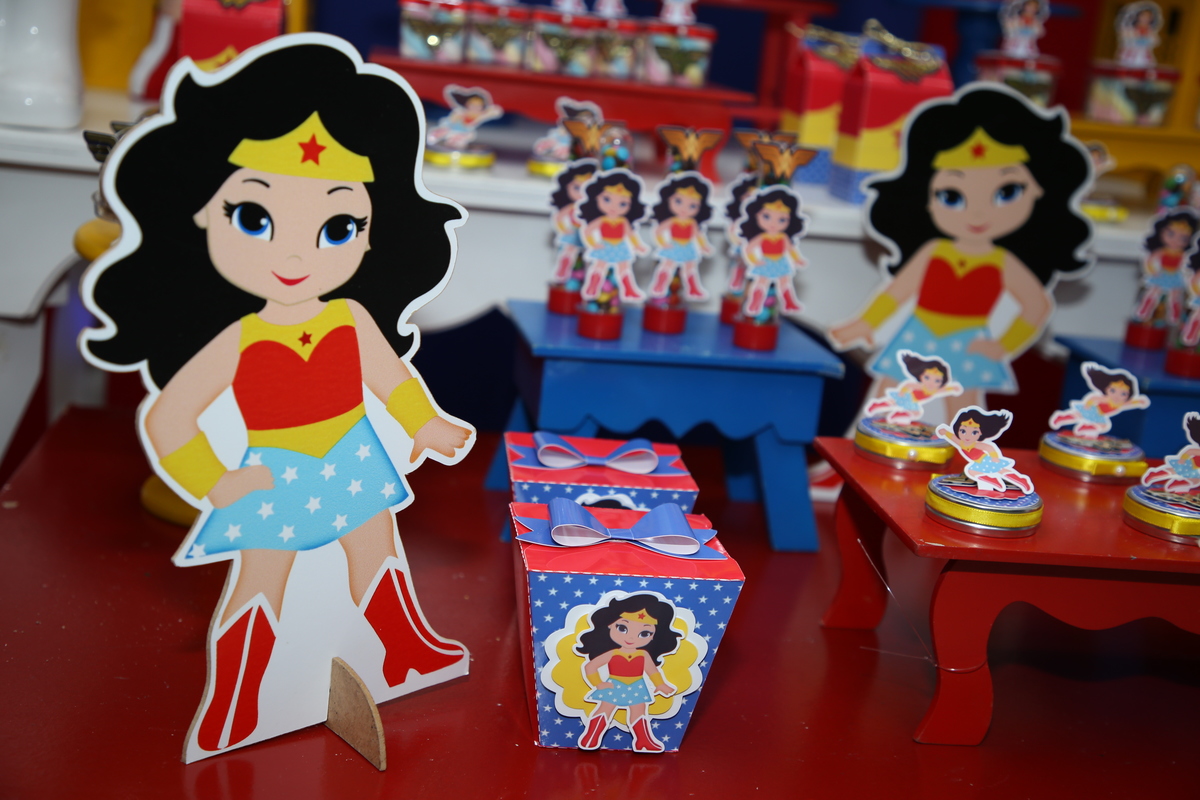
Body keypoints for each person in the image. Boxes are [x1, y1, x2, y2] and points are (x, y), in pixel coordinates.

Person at [80, 37, 473, 756]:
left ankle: (405, 649)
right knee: (262, 579)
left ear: (373, 232)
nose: (295, 255)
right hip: (274, 473)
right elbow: (169, 417)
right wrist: (213, 480)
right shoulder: (237, 338)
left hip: (352, 456)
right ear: (201, 215)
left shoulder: (351, 317)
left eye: (338, 227)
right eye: (254, 219)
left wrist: (427, 424)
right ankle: (238, 703)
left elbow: (392, 381)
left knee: (375, 547)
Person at [829, 86, 1092, 419]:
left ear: (1040, 191)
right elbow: (897, 293)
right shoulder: (933, 251)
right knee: (887, 403)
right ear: (925, 196)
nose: (978, 214)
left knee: (963, 416)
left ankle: (965, 455)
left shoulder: (1002, 262)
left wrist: (1003, 345)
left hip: (968, 343)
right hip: (918, 336)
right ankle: (866, 447)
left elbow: (1037, 305)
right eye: (952, 196)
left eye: (1007, 192)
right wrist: (865, 324)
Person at [575, 594, 679, 753]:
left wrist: (660, 685)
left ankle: (643, 741)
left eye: (645, 633)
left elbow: (652, 671)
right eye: (622, 628)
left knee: (639, 712)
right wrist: (598, 683)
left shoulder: (643, 655)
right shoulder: (612, 653)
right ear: (610, 625)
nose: (631, 637)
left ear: (654, 636)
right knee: (604, 710)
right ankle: (591, 737)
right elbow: (590, 667)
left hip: (637, 686)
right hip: (614, 685)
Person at [579, 169, 650, 302]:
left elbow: (631, 234)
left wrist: (637, 245)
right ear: (596, 198)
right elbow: (587, 231)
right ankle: (592, 287)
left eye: (623, 203)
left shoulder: (623, 221)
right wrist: (593, 244)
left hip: (620, 246)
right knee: (599, 266)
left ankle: (629, 290)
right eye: (607, 199)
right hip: (604, 245)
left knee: (624, 267)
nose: (614, 207)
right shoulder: (602, 220)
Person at [736, 185, 807, 316]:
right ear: (756, 215)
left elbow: (791, 249)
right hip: (766, 262)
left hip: (781, 262)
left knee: (784, 281)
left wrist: (797, 259)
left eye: (782, 219)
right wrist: (754, 260)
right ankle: (754, 303)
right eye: (767, 216)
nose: (773, 223)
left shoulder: (783, 237)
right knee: (761, 282)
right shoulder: (762, 237)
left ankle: (789, 302)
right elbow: (749, 249)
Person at [647, 172, 715, 301]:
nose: (684, 208)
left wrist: (703, 246)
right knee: (667, 265)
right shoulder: (671, 221)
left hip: (688, 247)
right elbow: (658, 231)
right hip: (674, 246)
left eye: (692, 205)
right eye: (678, 201)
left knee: (690, 267)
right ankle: (659, 285)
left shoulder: (692, 223)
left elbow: (698, 235)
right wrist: (662, 243)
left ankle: (693, 288)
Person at [936, 407, 1033, 493]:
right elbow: (952, 437)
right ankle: (993, 480)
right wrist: (945, 432)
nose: (967, 436)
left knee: (1002, 471)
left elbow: (989, 448)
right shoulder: (961, 443)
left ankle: (1021, 480)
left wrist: (994, 457)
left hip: (986, 461)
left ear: (981, 433)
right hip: (977, 463)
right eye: (963, 431)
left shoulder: (976, 444)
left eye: (974, 432)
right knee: (972, 472)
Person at [1131, 209, 1200, 326]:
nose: (1175, 241)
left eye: (1183, 238)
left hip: (1175, 276)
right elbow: (1150, 261)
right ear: (1161, 232)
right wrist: (1152, 271)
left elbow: (1188, 270)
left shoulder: (1183, 255)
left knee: (1175, 296)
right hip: (1162, 274)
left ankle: (1175, 316)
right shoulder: (1161, 252)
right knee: (1153, 291)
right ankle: (1143, 311)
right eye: (1171, 234)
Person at [1048, 364, 1149, 437]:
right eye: (1113, 390)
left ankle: (1085, 427)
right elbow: (1094, 398)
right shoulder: (1106, 399)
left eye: (1123, 394)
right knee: (1078, 415)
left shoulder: (1121, 404)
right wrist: (1088, 404)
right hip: (1093, 409)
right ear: (1106, 389)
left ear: (1128, 395)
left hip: (1099, 415)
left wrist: (1139, 402)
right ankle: (1062, 417)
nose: (1117, 396)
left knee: (1103, 425)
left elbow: (1130, 403)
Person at [864, 350, 963, 425]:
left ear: (942, 382)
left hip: (913, 401)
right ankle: (877, 405)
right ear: (921, 376)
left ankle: (898, 414)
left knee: (915, 413)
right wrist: (902, 392)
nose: (931, 383)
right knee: (892, 403)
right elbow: (908, 385)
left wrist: (953, 388)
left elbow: (943, 390)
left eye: (937, 380)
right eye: (927, 377)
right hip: (908, 397)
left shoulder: (934, 391)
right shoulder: (921, 386)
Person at [549, 159, 598, 286]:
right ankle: (563, 270)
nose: (581, 193)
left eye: (586, 189)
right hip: (573, 232)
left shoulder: (591, 209)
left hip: (586, 236)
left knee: (588, 255)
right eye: (577, 187)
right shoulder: (571, 207)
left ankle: (587, 278)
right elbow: (559, 217)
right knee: (569, 250)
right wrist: (563, 229)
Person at [1143, 412, 1200, 492]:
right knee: (1173, 471)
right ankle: (1154, 474)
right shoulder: (1197, 451)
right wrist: (1182, 460)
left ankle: (1177, 483)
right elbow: (1189, 451)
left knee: (1195, 480)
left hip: (1196, 470)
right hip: (1189, 465)